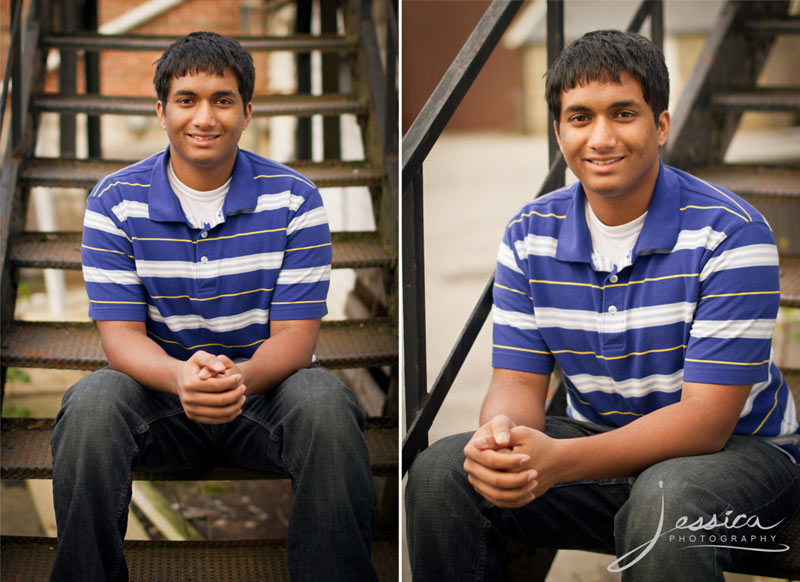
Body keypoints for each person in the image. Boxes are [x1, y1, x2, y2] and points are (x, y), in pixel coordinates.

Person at [406, 29, 800, 581]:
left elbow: (705, 422)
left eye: (622, 113)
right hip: (599, 448)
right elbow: (517, 383)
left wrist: (557, 461)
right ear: (559, 130)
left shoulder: (731, 234)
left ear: (660, 125)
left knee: (665, 503)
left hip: (739, 458)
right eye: (580, 117)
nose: (601, 137)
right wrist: (505, 440)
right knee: (441, 472)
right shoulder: (529, 233)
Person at [51, 31, 376, 582]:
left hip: (264, 402)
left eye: (222, 100)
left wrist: (236, 382)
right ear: (161, 111)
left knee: (325, 400)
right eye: (187, 100)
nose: (205, 117)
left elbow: (297, 340)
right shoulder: (114, 202)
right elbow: (120, 338)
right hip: (159, 404)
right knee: (90, 402)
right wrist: (182, 378)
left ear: (247, 111)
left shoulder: (296, 199)